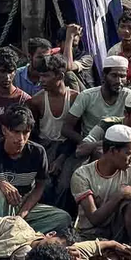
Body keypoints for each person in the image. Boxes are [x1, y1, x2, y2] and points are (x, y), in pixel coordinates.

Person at [0, 104, 72, 233]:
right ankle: (0, 235)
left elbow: (40, 186)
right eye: (16, 132)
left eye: (25, 132)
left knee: (63, 218)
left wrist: (22, 214)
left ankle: (18, 232)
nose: (21, 138)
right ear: (4, 130)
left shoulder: (37, 152)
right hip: (0, 206)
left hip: (24, 204)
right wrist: (0, 186)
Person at [70, 125, 131, 260]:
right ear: (112, 151)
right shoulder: (82, 175)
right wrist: (119, 195)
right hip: (91, 235)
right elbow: (95, 219)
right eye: (128, 154)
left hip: (120, 232)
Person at [26, 54, 79, 209]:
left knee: (65, 184)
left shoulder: (75, 98)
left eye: (46, 76)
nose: (41, 80)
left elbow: (76, 132)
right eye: (40, 75)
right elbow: (33, 133)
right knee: (45, 184)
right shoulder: (37, 101)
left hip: (69, 147)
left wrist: (61, 158)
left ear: (60, 76)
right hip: (45, 146)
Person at [78, 91, 131, 182]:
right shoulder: (108, 124)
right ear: (126, 114)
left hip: (130, 180)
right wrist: (109, 144)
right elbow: (81, 149)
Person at [62, 55, 131, 144]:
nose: (119, 81)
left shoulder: (129, 96)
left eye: (123, 76)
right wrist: (85, 143)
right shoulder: (87, 96)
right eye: (114, 75)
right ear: (104, 75)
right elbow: (66, 128)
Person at [57, 24, 96, 89]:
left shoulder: (87, 58)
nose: (71, 48)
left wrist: (70, 36)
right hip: (63, 93)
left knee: (68, 73)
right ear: (58, 43)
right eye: (69, 45)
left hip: (84, 94)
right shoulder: (56, 56)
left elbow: (68, 66)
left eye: (74, 46)